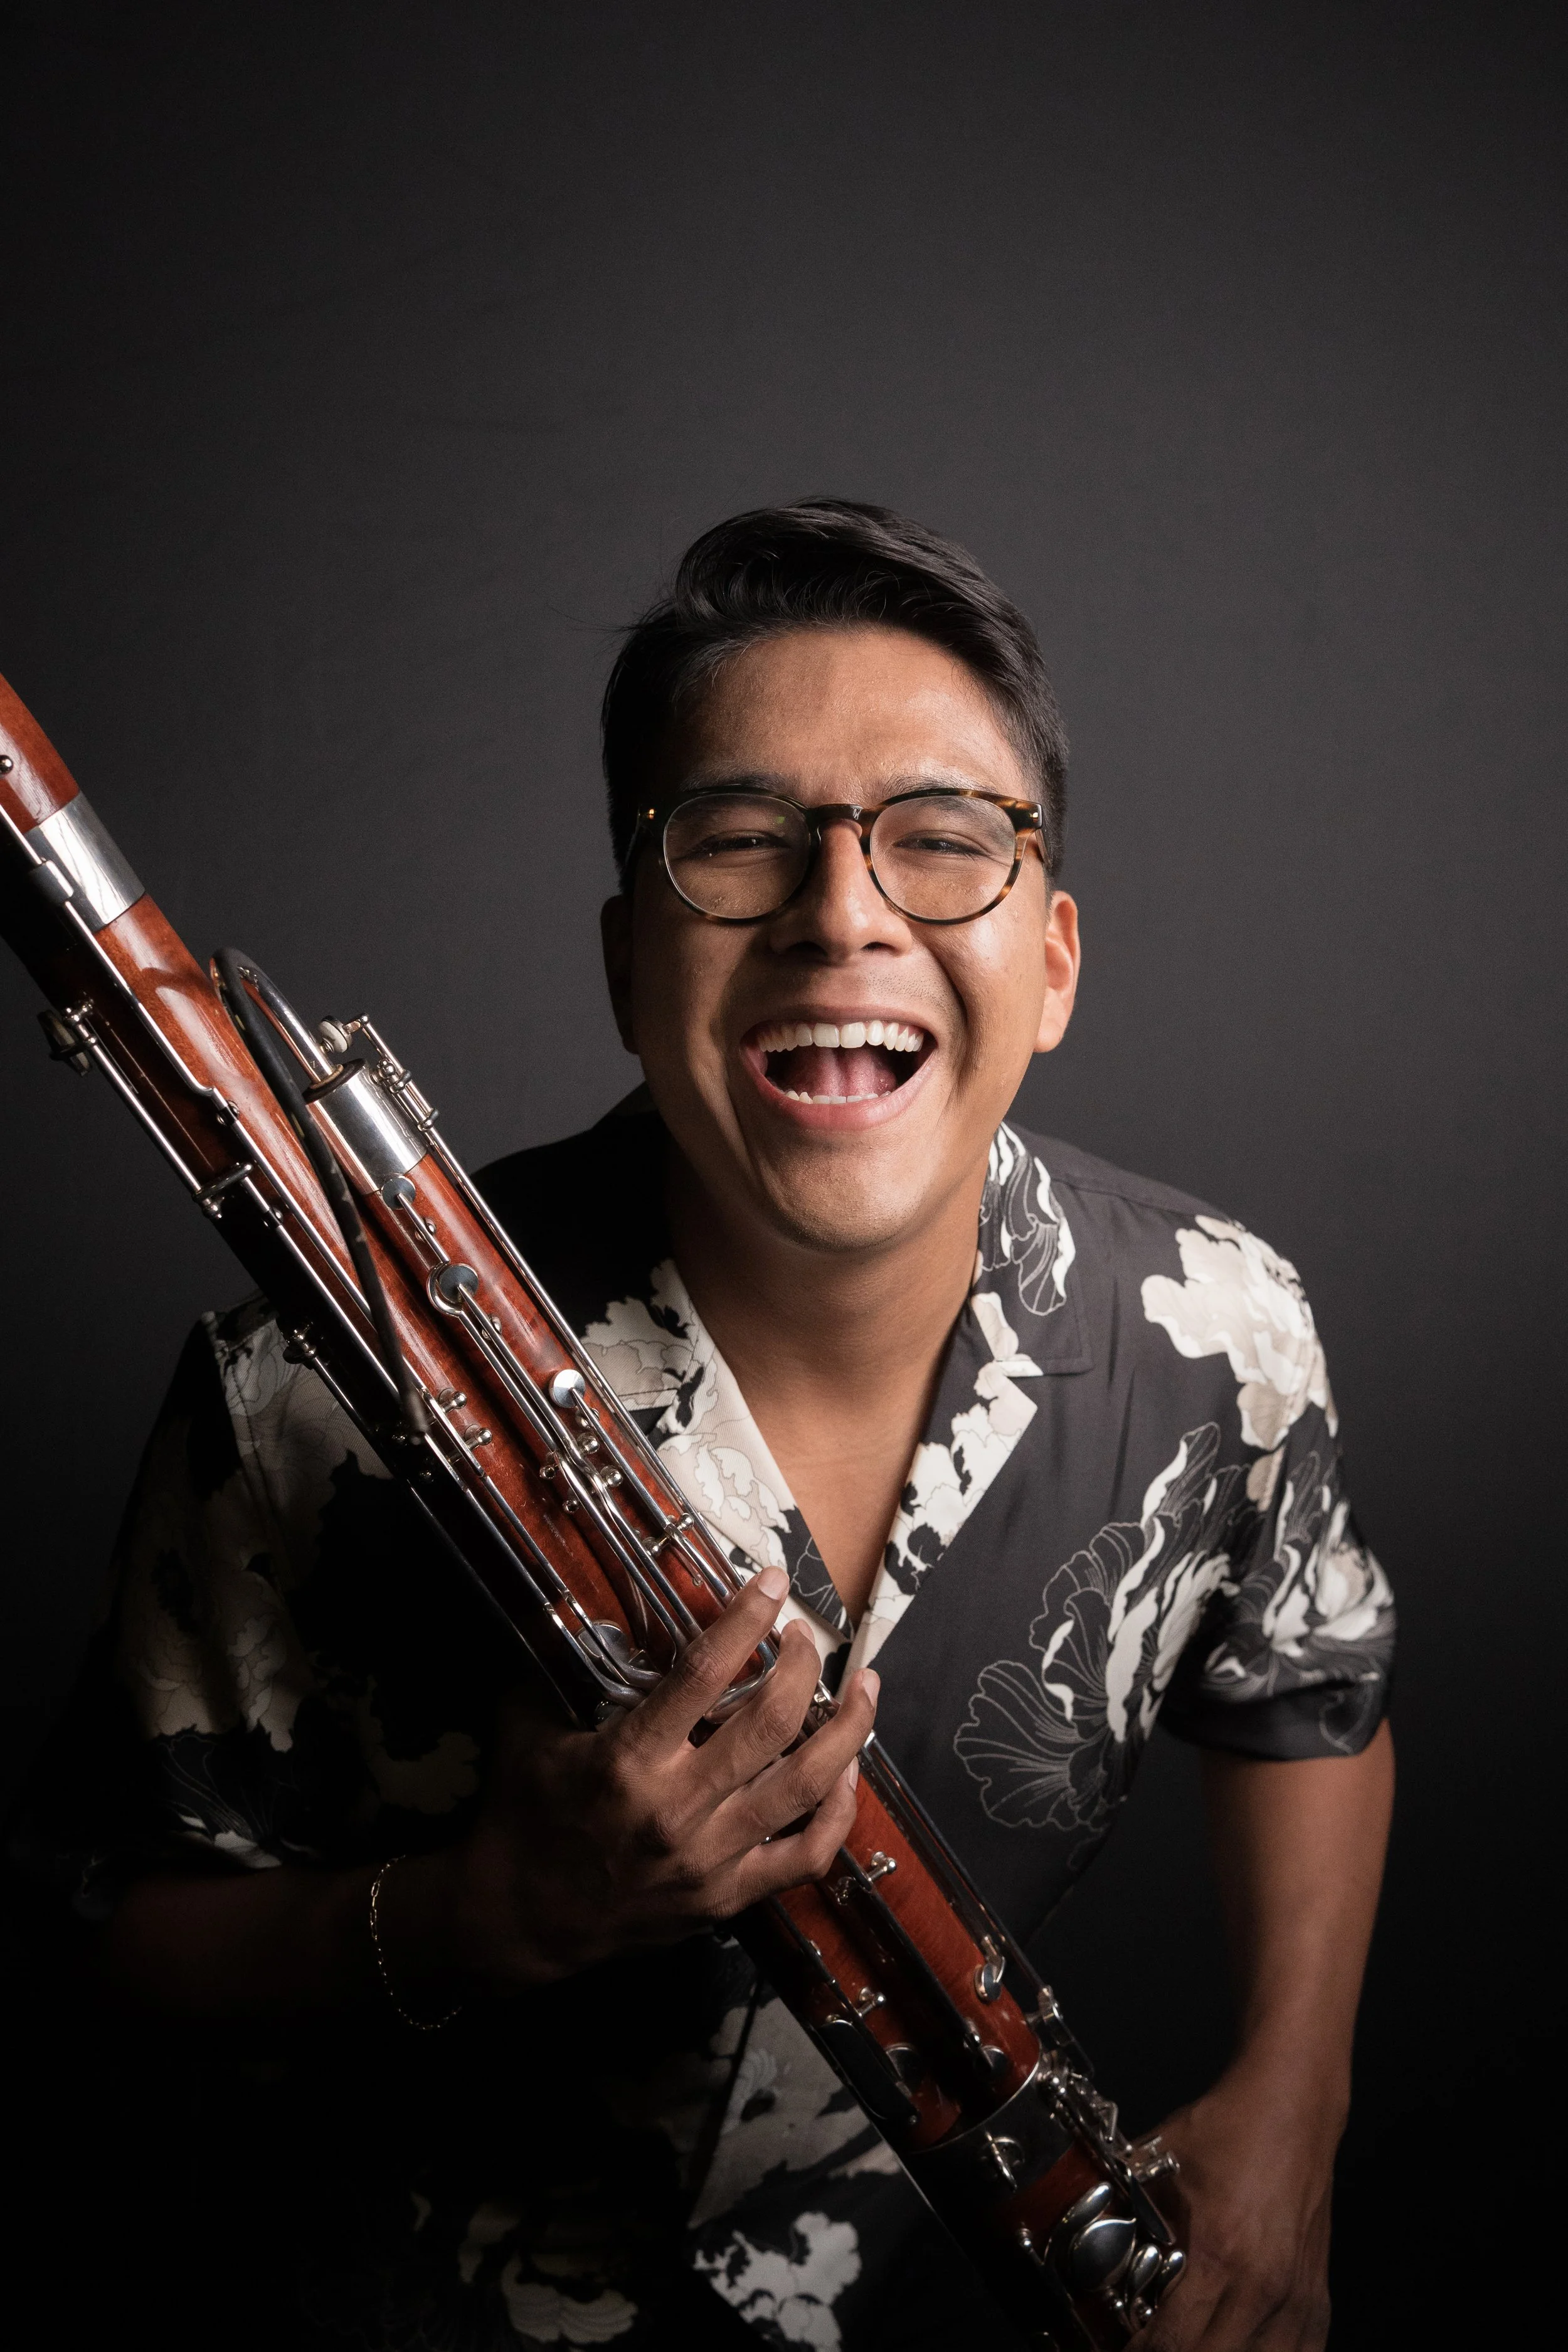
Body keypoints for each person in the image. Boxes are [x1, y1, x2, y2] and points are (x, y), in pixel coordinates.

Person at [9, 501, 1394, 2351]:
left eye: (941, 841)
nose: (840, 911)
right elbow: (94, 1942)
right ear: (621, 966)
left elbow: (1309, 1692)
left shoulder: (1226, 1332)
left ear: (1051, 962)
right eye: (736, 844)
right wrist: (485, 1911)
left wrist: (1296, 2108)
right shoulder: (289, 1397)